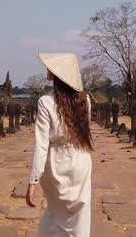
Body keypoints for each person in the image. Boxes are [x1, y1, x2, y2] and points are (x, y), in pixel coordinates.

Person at [26, 53, 94, 237]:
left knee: (55, 214)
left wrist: (33, 181)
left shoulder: (45, 102)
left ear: (57, 74)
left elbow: (41, 144)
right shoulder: (85, 100)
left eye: (51, 67)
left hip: (56, 162)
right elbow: (83, 130)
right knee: (80, 215)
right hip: (80, 159)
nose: (47, 70)